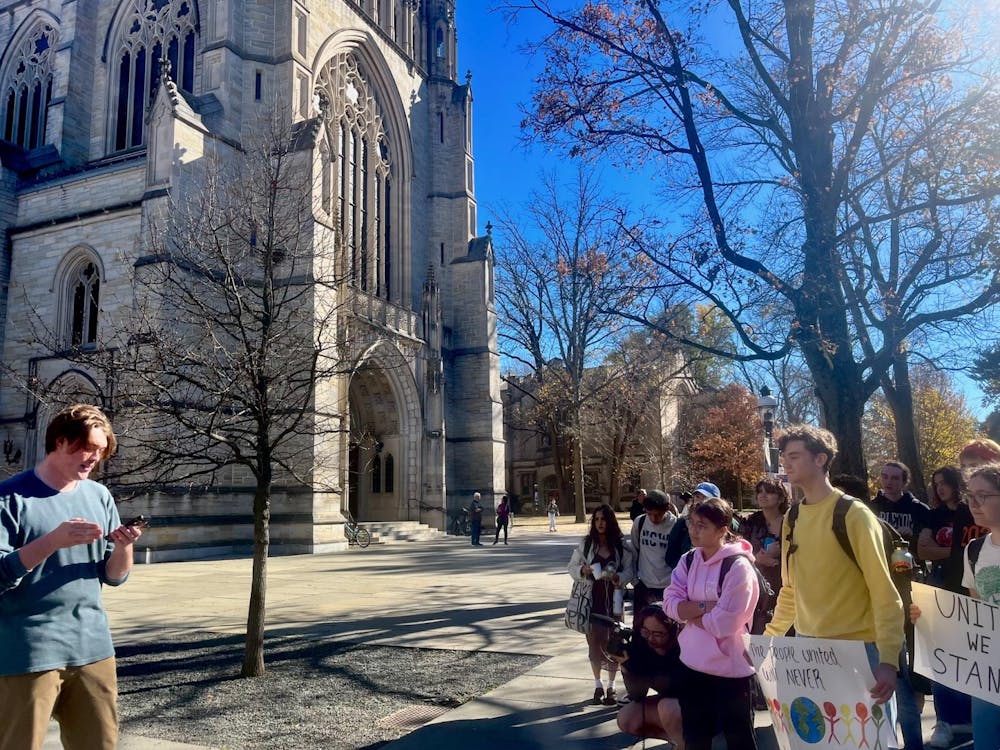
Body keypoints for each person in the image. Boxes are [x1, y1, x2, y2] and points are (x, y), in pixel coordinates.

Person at [766, 424, 923, 750]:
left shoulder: (854, 515)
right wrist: (767, 641)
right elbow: (790, 591)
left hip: (860, 651)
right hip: (810, 653)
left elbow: (885, 594)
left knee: (871, 743)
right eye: (783, 457)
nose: (786, 463)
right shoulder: (792, 519)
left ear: (821, 459)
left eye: (794, 456)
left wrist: (888, 661)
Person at [0, 404, 144, 750]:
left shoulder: (99, 495)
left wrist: (125, 547)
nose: (95, 458)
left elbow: (113, 577)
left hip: (93, 649)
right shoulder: (9, 498)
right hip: (27, 653)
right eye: (88, 448)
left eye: (101, 451)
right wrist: (52, 541)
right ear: (61, 441)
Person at [911, 462, 1000, 748]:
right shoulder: (973, 551)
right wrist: (929, 616)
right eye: (970, 494)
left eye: (983, 495)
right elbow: (976, 615)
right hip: (989, 678)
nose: (973, 503)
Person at [664, 497, 759, 750]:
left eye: (702, 525)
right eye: (692, 523)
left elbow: (724, 625)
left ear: (722, 529)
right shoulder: (688, 560)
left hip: (732, 671)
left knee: (739, 740)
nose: (693, 530)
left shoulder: (738, 567)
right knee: (695, 738)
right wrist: (706, 607)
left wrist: (688, 612)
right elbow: (670, 605)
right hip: (692, 665)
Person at [917, 466, 973, 746]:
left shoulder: (969, 510)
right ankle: (945, 720)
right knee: (941, 654)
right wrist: (956, 553)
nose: (940, 488)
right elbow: (922, 550)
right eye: (935, 483)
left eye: (944, 483)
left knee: (970, 653)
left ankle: (969, 719)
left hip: (968, 586)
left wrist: (951, 554)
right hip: (939, 585)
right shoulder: (933, 514)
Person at [567, 504, 633, 705]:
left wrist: (619, 577)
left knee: (614, 643)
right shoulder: (586, 544)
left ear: (610, 521)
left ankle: (612, 688)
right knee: (594, 644)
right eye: (596, 520)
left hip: (614, 601)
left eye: (603, 519)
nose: (599, 523)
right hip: (591, 601)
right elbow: (572, 567)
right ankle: (598, 686)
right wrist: (583, 570)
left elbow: (631, 570)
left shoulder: (621, 546)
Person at [613, 605, 684, 748]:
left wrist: (642, 671)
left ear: (671, 631)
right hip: (672, 704)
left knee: (667, 707)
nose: (650, 638)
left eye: (658, 634)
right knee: (627, 717)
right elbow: (637, 695)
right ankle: (676, 739)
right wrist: (627, 666)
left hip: (700, 704)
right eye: (646, 631)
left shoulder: (683, 645)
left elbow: (674, 685)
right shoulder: (642, 645)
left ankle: (687, 745)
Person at [738, 478, 790, 609]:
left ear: (781, 498)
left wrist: (774, 562)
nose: (763, 495)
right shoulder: (751, 522)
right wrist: (757, 558)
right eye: (760, 491)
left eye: (769, 492)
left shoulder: (792, 522)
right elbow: (739, 551)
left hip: (786, 585)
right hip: (757, 583)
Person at [630, 489, 677, 628]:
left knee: (665, 629)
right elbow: (633, 550)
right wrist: (634, 580)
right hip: (644, 584)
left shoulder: (675, 525)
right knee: (640, 628)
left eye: (658, 515)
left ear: (667, 509)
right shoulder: (640, 522)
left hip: (668, 585)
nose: (653, 519)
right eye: (649, 514)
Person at [664, 482, 720, 569]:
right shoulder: (682, 523)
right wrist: (686, 569)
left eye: (705, 498)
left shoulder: (725, 524)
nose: (699, 501)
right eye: (697, 497)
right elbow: (670, 556)